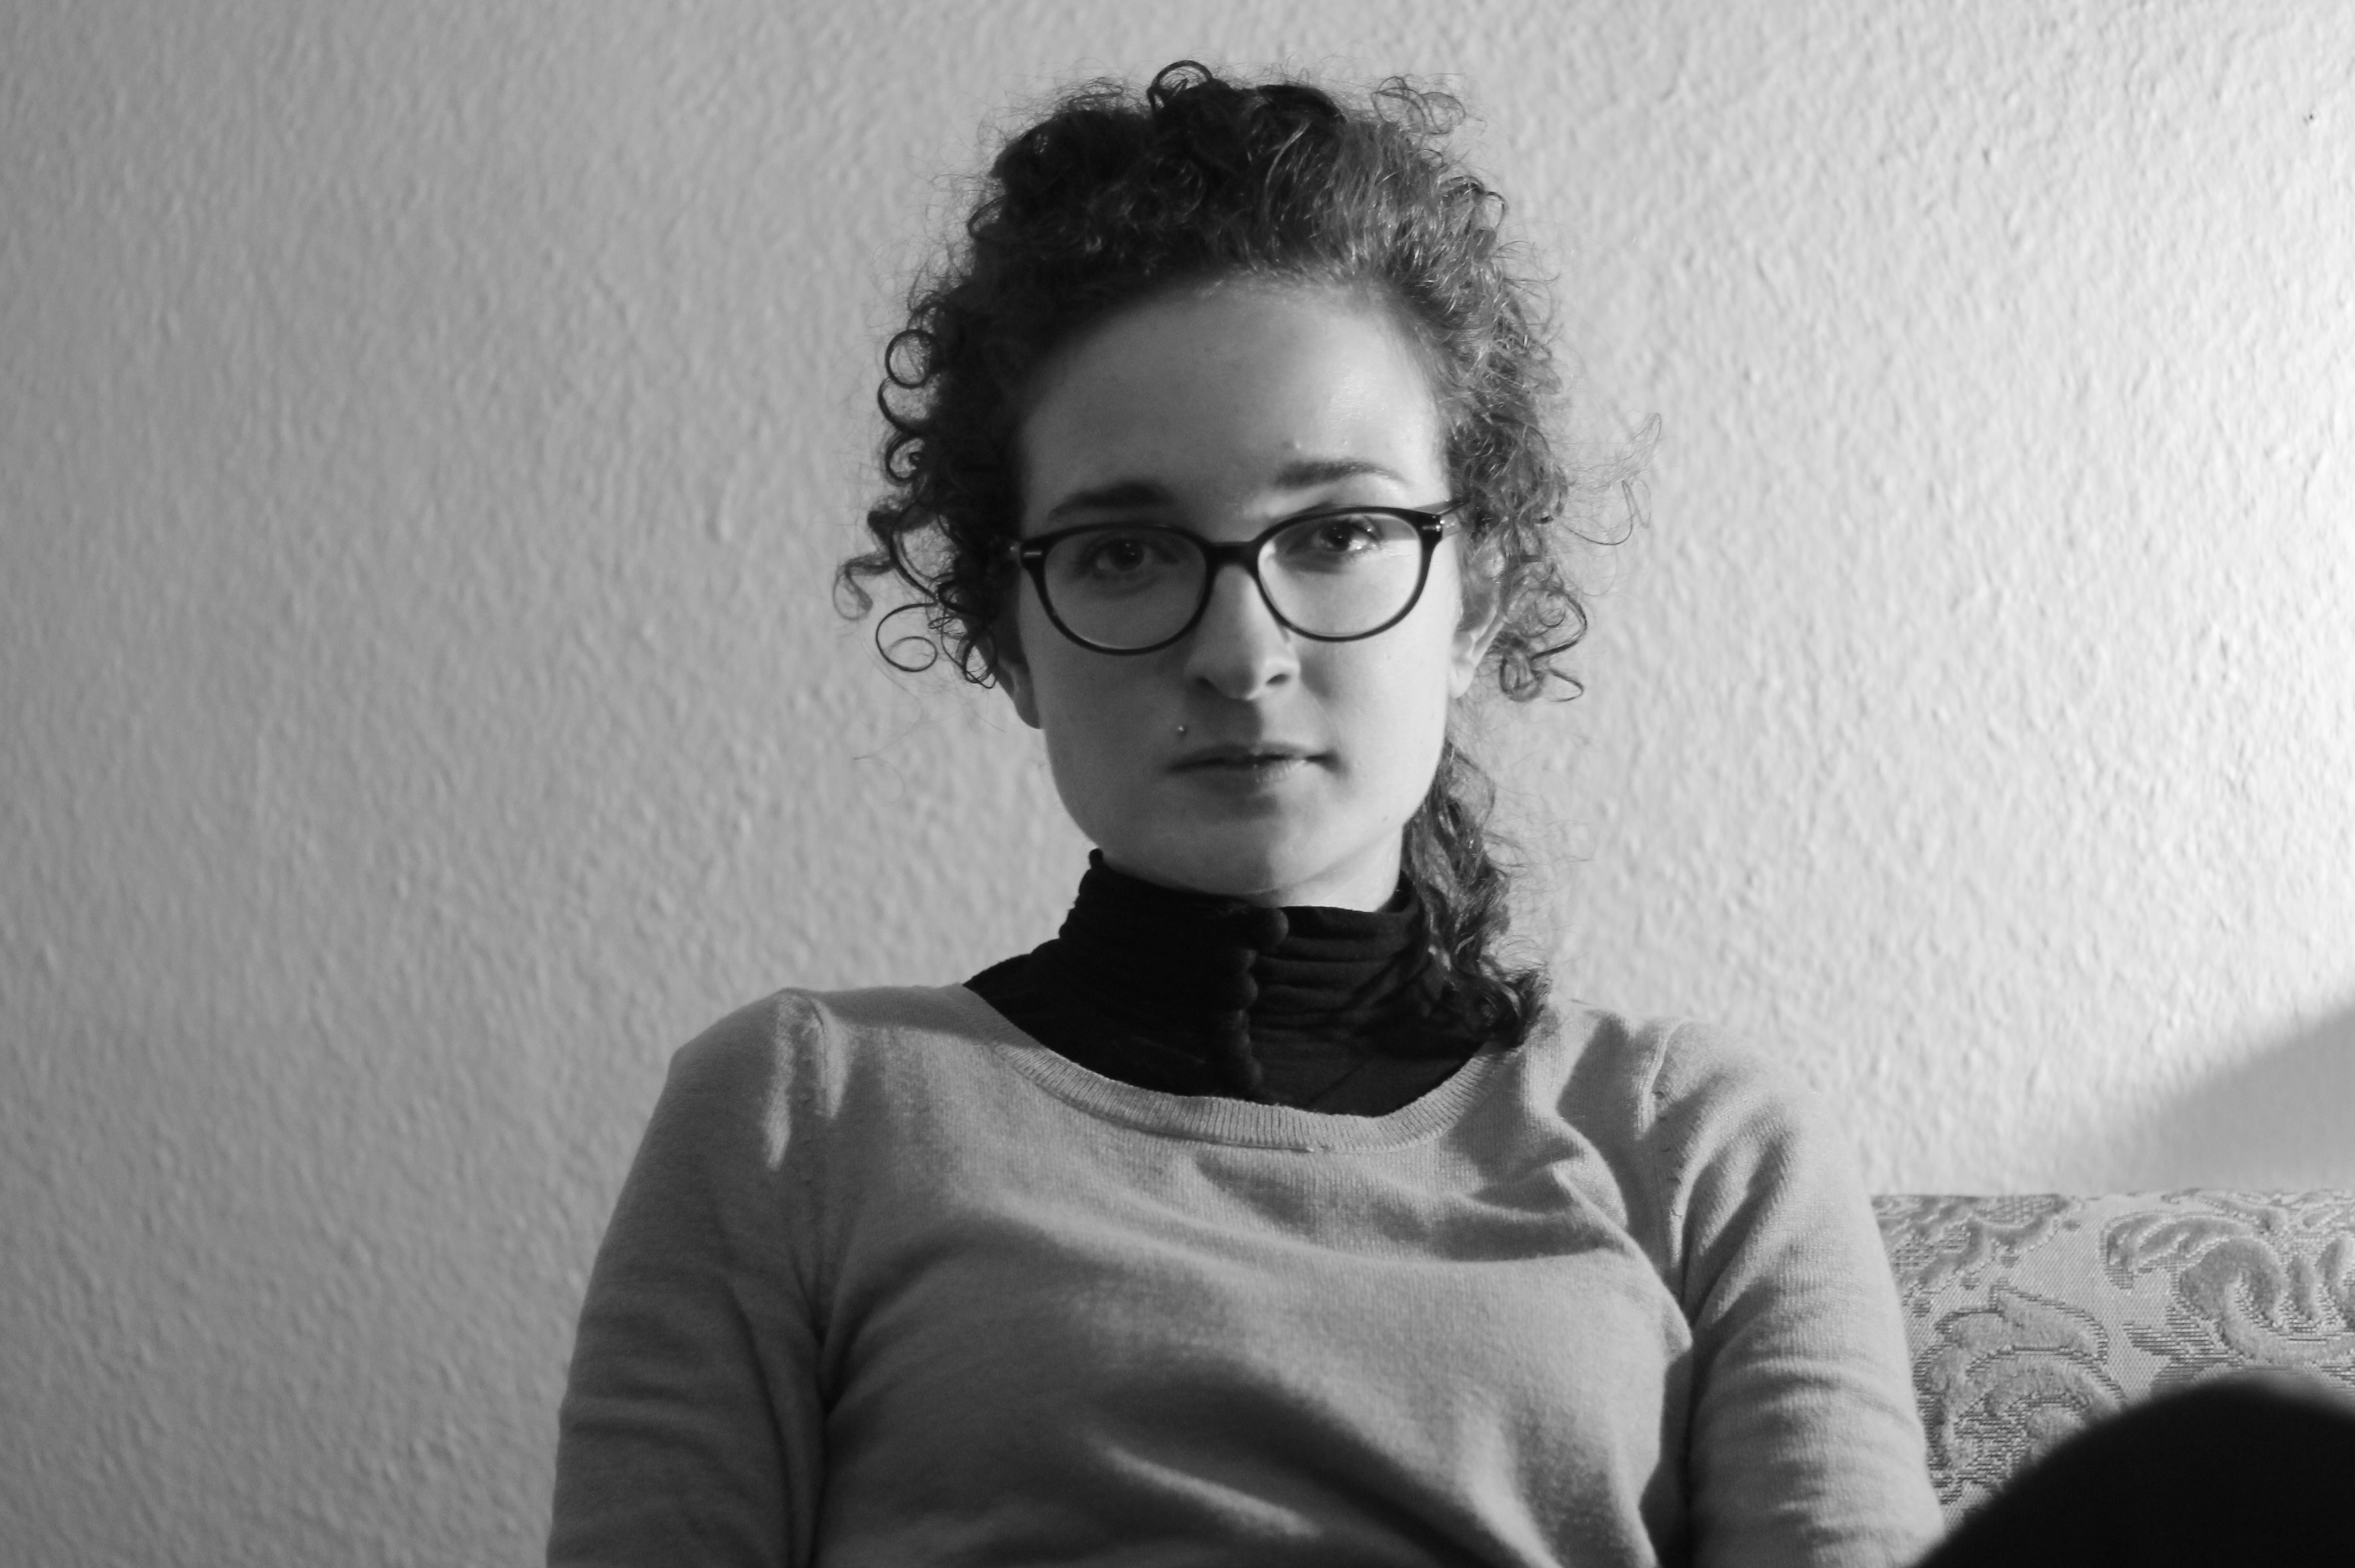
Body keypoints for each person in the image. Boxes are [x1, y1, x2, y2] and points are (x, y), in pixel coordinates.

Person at [548, 62, 1946, 1566]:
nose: (1239, 651)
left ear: (1476, 600)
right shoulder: (800, 1112)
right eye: (1125, 551)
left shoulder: (1690, 1140)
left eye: (1338, 533)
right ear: (1008, 636)